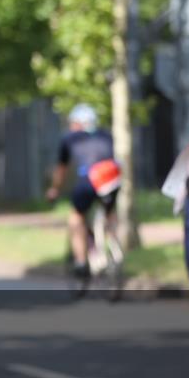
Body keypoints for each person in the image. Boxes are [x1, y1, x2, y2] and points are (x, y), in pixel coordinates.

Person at [45, 104, 121, 279]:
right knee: (110, 212)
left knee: (76, 218)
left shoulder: (70, 138)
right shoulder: (106, 135)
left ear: (77, 123)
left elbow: (61, 170)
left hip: (89, 181)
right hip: (111, 179)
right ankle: (115, 246)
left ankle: (80, 261)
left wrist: (54, 189)